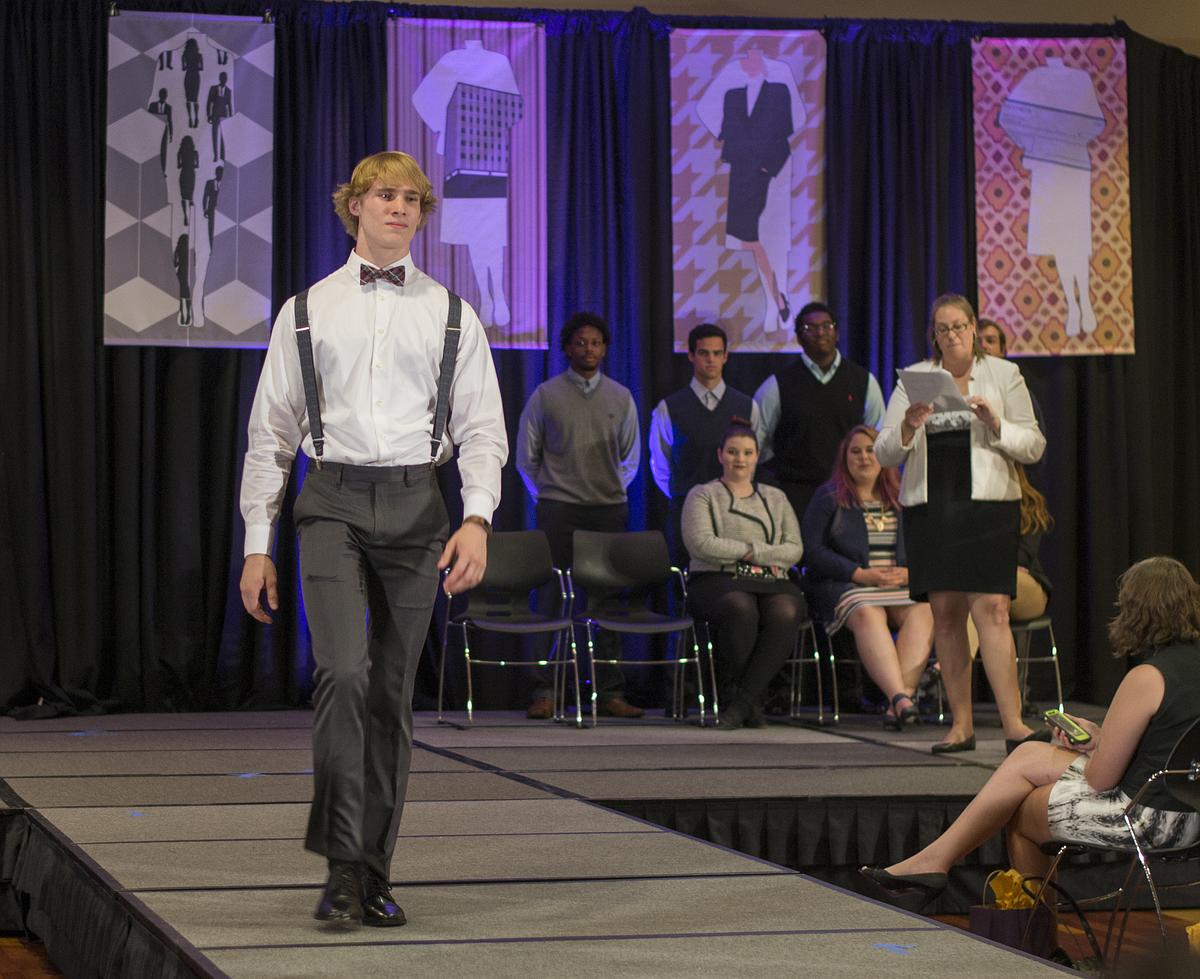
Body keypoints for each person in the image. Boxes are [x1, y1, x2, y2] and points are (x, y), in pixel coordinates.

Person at [239, 151, 507, 929]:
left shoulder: (453, 314)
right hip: (332, 501)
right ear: (353, 204)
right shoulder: (306, 310)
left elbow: (483, 431)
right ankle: (338, 867)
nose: (400, 208)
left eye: (413, 199)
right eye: (385, 194)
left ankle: (373, 871)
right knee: (343, 672)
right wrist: (258, 540)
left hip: (420, 507)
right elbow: (271, 435)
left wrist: (478, 517)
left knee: (391, 694)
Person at [861, 556, 1200, 898]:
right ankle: (934, 861)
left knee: (1024, 813)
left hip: (1153, 821)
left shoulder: (1146, 678)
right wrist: (1101, 738)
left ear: (1136, 612)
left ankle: (1036, 928)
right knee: (1029, 754)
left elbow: (1101, 779)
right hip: (1192, 813)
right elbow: (1169, 743)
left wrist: (1094, 752)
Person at [875, 294, 1046, 753]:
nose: (951, 335)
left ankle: (1014, 724)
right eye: (942, 329)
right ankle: (961, 726)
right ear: (934, 335)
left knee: (993, 611)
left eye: (958, 326)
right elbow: (884, 452)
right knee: (947, 617)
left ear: (973, 328)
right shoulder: (915, 378)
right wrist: (908, 426)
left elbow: (1033, 445)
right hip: (934, 509)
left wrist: (995, 422)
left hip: (987, 508)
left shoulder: (1004, 374)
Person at [516, 311, 644, 721]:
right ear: (567, 348)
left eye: (596, 343)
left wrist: (607, 490)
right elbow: (526, 457)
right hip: (559, 512)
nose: (589, 349)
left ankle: (609, 693)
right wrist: (550, 494)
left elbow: (631, 457)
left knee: (606, 602)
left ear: (605, 349)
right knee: (553, 600)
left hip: (607, 512)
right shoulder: (545, 395)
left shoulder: (621, 397)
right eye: (581, 342)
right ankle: (545, 691)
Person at [801, 426, 934, 729]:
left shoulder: (904, 495)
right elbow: (812, 551)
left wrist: (911, 572)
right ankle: (901, 698)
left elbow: (928, 544)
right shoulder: (829, 497)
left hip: (898, 584)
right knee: (867, 612)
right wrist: (858, 573)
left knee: (925, 609)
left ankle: (899, 702)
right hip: (849, 584)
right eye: (856, 451)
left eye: (871, 450)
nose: (864, 457)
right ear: (844, 458)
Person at [681, 423, 805, 730]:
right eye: (733, 452)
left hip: (770, 579)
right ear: (720, 455)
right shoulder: (703, 495)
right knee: (740, 607)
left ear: (757, 456)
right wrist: (755, 551)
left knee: (787, 610)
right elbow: (701, 545)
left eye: (748, 453)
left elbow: (794, 549)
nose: (740, 459)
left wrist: (752, 553)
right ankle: (746, 702)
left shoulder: (776, 497)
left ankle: (742, 703)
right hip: (716, 579)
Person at [754, 301, 885, 520]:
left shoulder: (864, 381)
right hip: (794, 497)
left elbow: (877, 437)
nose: (820, 333)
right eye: (810, 328)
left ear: (837, 333)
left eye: (827, 326)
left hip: (850, 493)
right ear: (798, 337)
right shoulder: (776, 386)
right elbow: (758, 442)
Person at [649, 323, 759, 564]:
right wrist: (687, 497)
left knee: (734, 577)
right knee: (684, 576)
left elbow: (753, 461)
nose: (711, 359)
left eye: (717, 353)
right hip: (685, 510)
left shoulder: (747, 406)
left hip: (735, 510)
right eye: (703, 353)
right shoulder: (669, 408)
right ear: (691, 355)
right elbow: (660, 465)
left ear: (725, 356)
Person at [966, 464, 1053, 663]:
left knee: (981, 583)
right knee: (973, 589)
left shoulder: (1029, 503)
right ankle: (950, 670)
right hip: (985, 588)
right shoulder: (970, 508)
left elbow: (1023, 557)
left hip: (1025, 588)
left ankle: (942, 670)